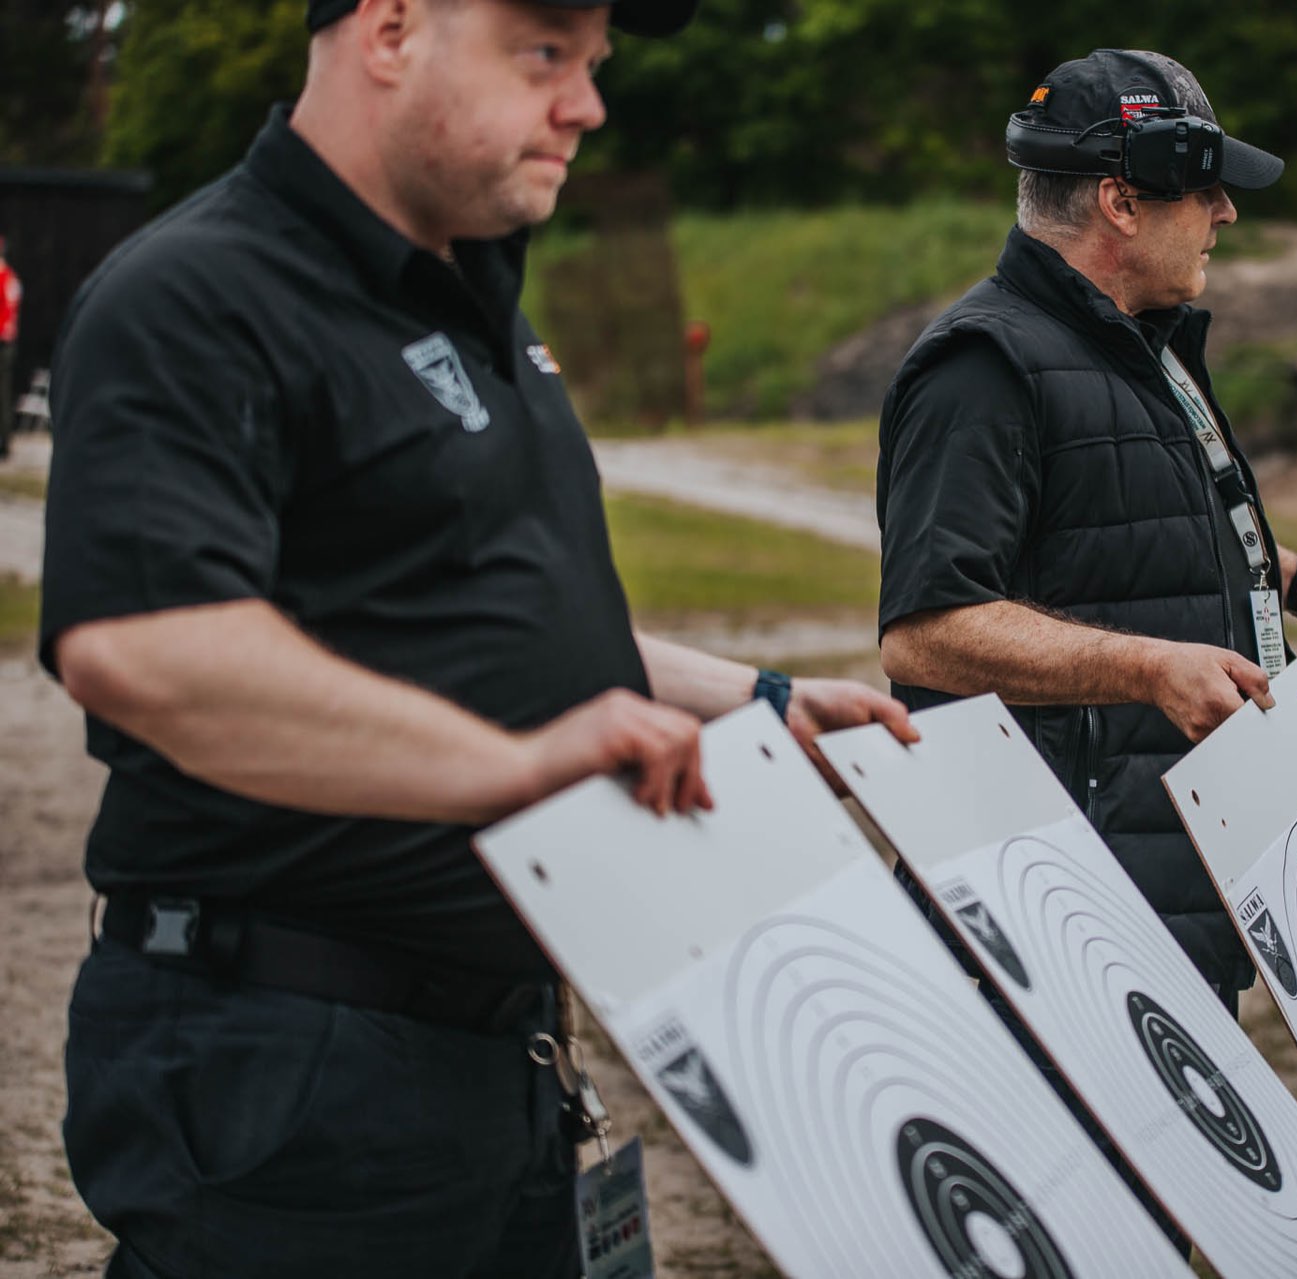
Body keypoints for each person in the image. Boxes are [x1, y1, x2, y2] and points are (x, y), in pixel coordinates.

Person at [38, 2, 913, 1276]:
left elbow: (495, 619)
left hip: (492, 1057)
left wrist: (755, 697)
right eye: (545, 54)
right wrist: (506, 764)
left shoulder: (473, 295)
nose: (587, 105)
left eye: (594, 64)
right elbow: (144, 646)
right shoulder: (197, 291)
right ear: (391, 30)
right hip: (287, 1061)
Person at [874, 47, 1297, 1245]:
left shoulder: (1144, 342)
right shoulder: (985, 367)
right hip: (1065, 912)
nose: (1226, 211)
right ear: (1121, 200)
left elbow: (1139, 543)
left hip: (1167, 892)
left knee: (1160, 1224)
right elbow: (924, 626)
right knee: (1078, 1234)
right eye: (1203, 188)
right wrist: (1140, 667)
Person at [0, 232, 20, 459]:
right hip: (6, 341)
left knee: (3, 394)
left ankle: (4, 440)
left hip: (3, 343)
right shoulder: (9, 278)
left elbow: (6, 315)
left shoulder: (5, 278)